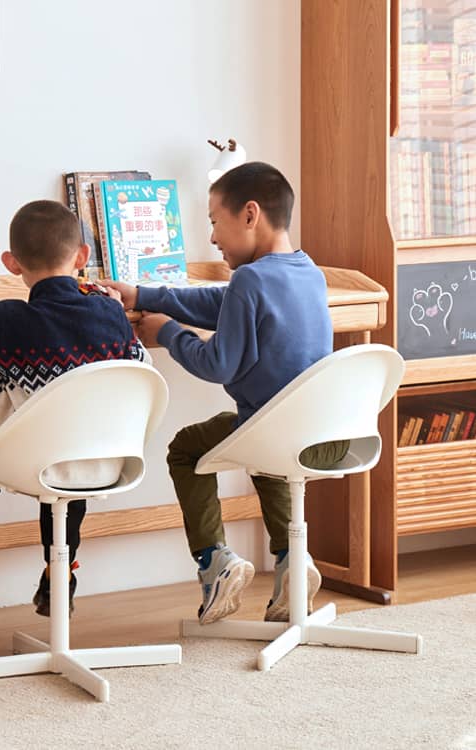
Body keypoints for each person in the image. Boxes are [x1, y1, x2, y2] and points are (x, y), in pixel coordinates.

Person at [103, 162, 349, 624]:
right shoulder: (307, 273)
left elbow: (215, 364)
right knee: (264, 447)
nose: (213, 237)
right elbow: (218, 303)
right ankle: (293, 560)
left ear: (250, 214)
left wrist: (169, 332)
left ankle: (216, 561)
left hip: (270, 430)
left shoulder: (249, 281)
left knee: (187, 450)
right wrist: (144, 294)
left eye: (215, 221)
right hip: (314, 429)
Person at [0, 199, 148, 639]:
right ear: (82, 256)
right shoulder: (112, 314)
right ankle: (59, 575)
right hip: (103, 460)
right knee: (70, 454)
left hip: (35, 461)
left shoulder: (8, 322)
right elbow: (138, 365)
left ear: (11, 264)